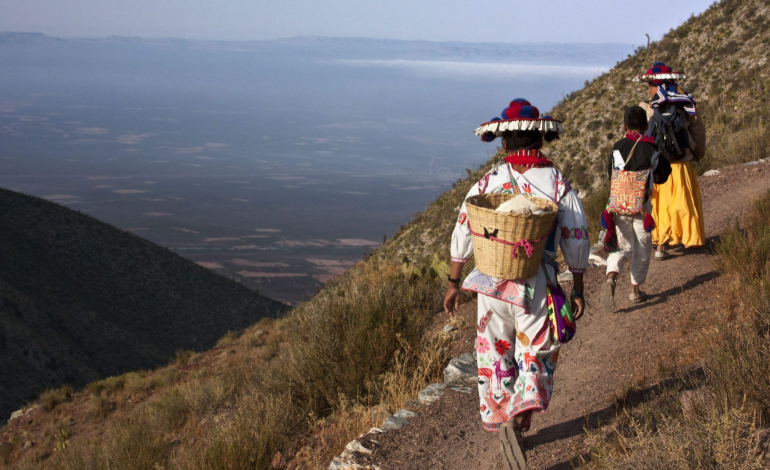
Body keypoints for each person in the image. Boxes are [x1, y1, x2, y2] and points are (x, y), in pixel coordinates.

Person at [443, 99, 590, 470]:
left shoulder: (489, 181)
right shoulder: (557, 183)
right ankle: (522, 409)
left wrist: (453, 282)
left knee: (495, 348)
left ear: (505, 142)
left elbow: (465, 226)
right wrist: (579, 285)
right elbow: (575, 233)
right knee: (536, 347)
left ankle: (503, 408)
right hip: (535, 281)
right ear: (540, 139)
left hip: (490, 282)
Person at [600, 106, 671, 311]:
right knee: (642, 247)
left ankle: (612, 278)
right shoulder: (651, 148)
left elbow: (610, 173)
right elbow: (664, 173)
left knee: (620, 246)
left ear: (624, 125)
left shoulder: (617, 147)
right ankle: (634, 290)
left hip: (619, 205)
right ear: (646, 126)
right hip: (642, 207)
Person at [635, 62, 706, 259]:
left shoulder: (651, 110)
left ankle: (661, 245)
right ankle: (690, 238)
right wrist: (697, 154)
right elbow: (698, 132)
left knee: (661, 205)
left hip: (659, 167)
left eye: (650, 86)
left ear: (657, 87)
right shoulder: (686, 104)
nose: (648, 90)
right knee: (683, 202)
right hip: (682, 165)